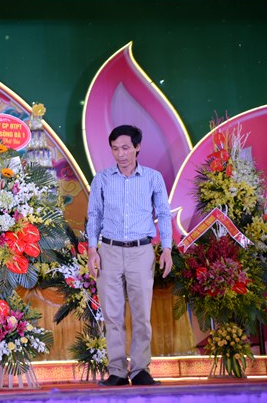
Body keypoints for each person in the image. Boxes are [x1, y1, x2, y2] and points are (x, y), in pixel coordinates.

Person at [86, 125, 172, 387]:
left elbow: (164, 213)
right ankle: (117, 372)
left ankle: (140, 370)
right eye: (115, 149)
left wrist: (166, 248)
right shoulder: (102, 179)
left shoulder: (153, 178)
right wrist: (92, 249)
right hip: (109, 251)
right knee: (112, 316)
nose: (120, 154)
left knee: (141, 314)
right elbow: (94, 215)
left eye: (125, 148)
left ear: (137, 147)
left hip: (141, 251)